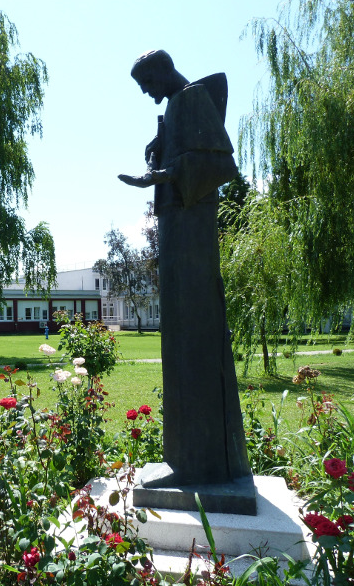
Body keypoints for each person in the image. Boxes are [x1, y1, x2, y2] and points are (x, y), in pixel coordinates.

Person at [119, 50, 252, 491]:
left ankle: (197, 464)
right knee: (179, 332)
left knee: (191, 332)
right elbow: (190, 153)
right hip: (178, 226)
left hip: (192, 229)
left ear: (162, 71)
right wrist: (161, 149)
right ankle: (188, 460)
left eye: (146, 82)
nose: (145, 92)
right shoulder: (179, 104)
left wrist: (161, 176)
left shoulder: (193, 98)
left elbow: (219, 164)